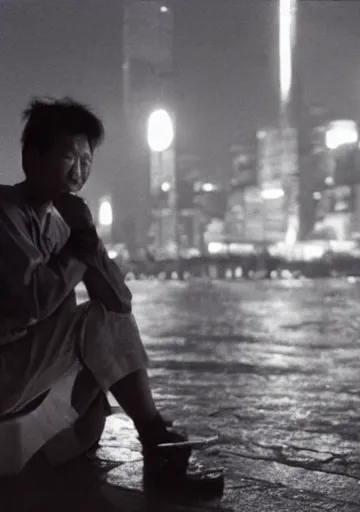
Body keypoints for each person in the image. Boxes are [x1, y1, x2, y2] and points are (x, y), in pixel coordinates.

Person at [0, 98, 219, 494]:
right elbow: (32, 303)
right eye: (69, 157)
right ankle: (156, 441)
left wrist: (88, 238)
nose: (79, 171)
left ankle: (154, 442)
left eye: (86, 161)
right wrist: (79, 246)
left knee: (102, 320)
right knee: (93, 323)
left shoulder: (62, 226)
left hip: (28, 364)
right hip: (5, 367)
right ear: (32, 158)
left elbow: (119, 304)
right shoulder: (5, 212)